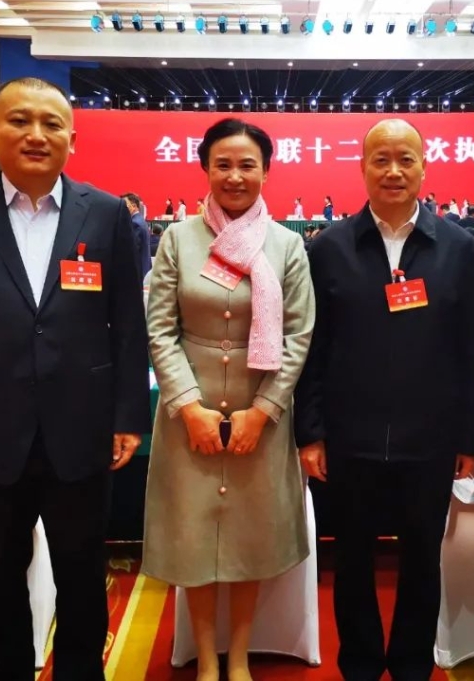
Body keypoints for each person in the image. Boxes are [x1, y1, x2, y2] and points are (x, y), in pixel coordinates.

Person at [0, 77, 151, 681]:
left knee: (82, 576)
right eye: (20, 121)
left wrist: (128, 416)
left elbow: (128, 323)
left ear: (73, 137)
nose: (36, 135)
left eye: (52, 123)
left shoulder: (105, 213)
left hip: (82, 430)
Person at [295, 118, 474, 681]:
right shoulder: (329, 247)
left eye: (406, 159)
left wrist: (466, 436)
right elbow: (312, 347)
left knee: (422, 560)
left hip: (430, 440)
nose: (394, 171)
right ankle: (359, 664)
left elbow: (470, 349)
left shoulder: (457, 247)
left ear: (424, 167)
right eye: (381, 159)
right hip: (349, 439)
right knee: (352, 561)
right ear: (362, 168)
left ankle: (410, 665)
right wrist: (311, 432)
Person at [143, 118, 314, 681]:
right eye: (223, 164)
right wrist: (188, 406)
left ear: (266, 171)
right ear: (205, 169)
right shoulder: (177, 239)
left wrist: (263, 412)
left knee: (250, 538)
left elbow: (298, 336)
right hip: (187, 415)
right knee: (193, 537)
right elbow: (160, 330)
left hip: (259, 412)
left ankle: (238, 656)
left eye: (247, 165)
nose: (235, 176)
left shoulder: (287, 245)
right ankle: (206, 657)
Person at [122, 192, 152, 278]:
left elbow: (131, 250)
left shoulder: (135, 223)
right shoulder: (140, 220)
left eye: (124, 205)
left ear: (134, 206)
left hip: (137, 272)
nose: (122, 208)